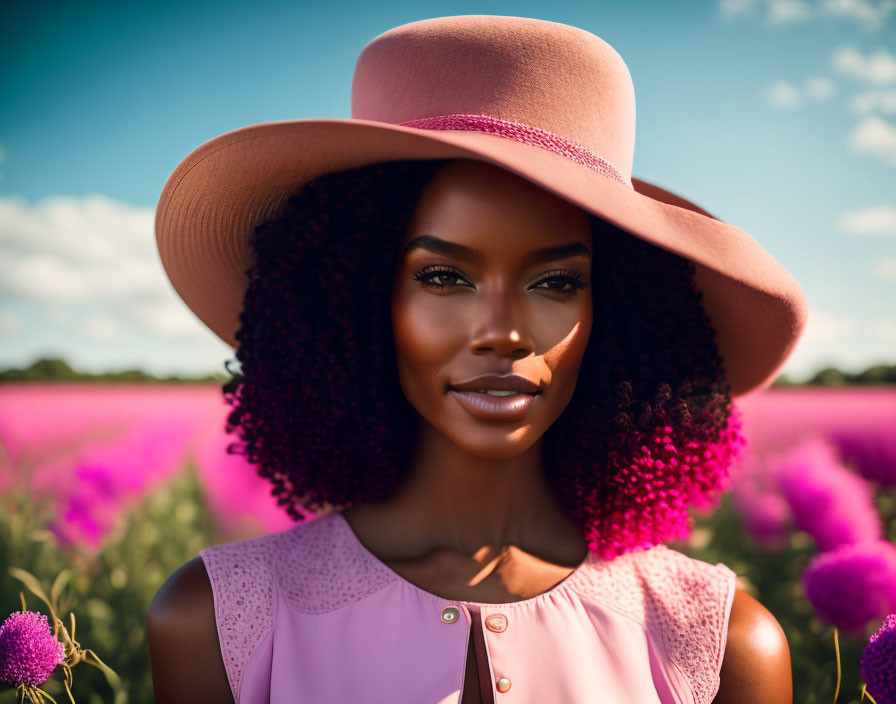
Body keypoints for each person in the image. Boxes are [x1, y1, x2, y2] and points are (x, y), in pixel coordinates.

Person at [147, 15, 806, 704]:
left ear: (614, 313)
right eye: (444, 277)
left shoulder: (719, 643)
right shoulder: (220, 621)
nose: (503, 333)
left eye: (555, 283)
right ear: (356, 300)